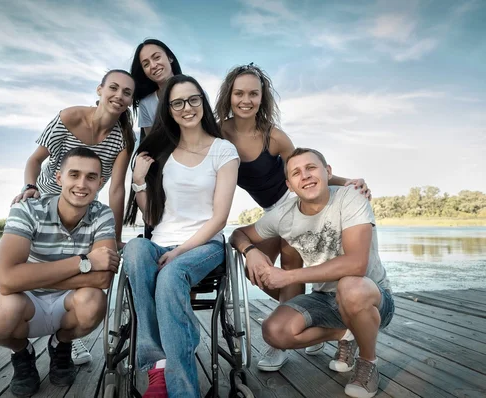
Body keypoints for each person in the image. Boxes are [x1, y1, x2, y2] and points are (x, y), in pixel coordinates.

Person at [215, 63, 371, 371]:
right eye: (239, 93)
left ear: (262, 98)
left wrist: (350, 181)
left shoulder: (275, 137)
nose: (246, 100)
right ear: (229, 96)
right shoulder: (218, 133)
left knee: (289, 265)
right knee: (256, 270)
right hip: (270, 212)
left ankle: (279, 345)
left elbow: (303, 172)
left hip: (291, 203)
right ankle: (310, 317)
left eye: (254, 94)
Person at [230, 148, 394, 398]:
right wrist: (250, 251)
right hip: (325, 299)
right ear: (290, 185)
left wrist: (288, 276)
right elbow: (238, 233)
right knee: (274, 331)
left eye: (311, 168)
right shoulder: (284, 214)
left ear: (328, 172)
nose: (304, 176)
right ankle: (347, 333)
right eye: (296, 172)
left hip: (371, 296)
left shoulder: (350, 198)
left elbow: (356, 265)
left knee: (351, 286)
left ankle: (367, 362)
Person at [122, 75, 239, 398]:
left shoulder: (223, 151)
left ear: (202, 102)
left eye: (193, 99)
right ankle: (158, 365)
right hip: (162, 239)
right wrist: (139, 182)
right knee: (134, 250)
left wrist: (180, 251)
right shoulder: (164, 152)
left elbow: (219, 218)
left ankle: (181, 388)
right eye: (177, 102)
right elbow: (153, 217)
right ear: (168, 110)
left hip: (204, 245)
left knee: (171, 274)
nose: (186, 108)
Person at [11, 69, 135, 364]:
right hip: (45, 201)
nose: (119, 96)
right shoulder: (68, 117)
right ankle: (16, 302)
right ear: (99, 90)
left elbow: (116, 189)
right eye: (113, 88)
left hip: (82, 209)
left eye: (127, 93)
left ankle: (65, 335)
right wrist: (29, 188)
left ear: (130, 101)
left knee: (83, 271)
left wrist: (114, 237)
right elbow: (35, 159)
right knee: (38, 266)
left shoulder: (122, 139)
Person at [0, 148, 120, 397]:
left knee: (93, 301)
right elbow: (6, 279)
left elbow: (102, 278)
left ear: (100, 183)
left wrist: (23, 279)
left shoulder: (102, 214)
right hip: (28, 301)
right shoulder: (28, 209)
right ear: (59, 179)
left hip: (67, 301)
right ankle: (22, 353)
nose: (81, 184)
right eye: (74, 175)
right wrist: (83, 260)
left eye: (91, 177)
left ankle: (61, 344)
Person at [130, 38, 182, 136]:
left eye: (157, 57)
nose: (153, 65)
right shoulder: (146, 104)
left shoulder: (197, 93)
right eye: (146, 64)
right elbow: (152, 144)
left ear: (170, 57)